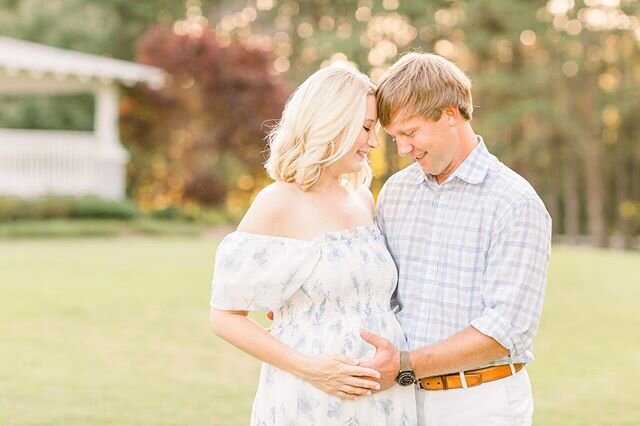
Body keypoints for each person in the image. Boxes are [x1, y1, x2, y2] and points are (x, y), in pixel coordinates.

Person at [209, 66, 417, 425]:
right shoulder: (278, 202)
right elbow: (225, 317)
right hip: (313, 399)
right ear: (332, 121)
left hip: (384, 401)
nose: (372, 142)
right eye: (366, 128)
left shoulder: (363, 199)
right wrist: (312, 368)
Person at [359, 53, 552, 425]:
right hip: (402, 401)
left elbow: (506, 330)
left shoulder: (514, 202)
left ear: (450, 114)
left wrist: (404, 364)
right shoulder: (396, 192)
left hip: (481, 403)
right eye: (395, 136)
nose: (402, 150)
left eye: (410, 132)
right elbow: (377, 286)